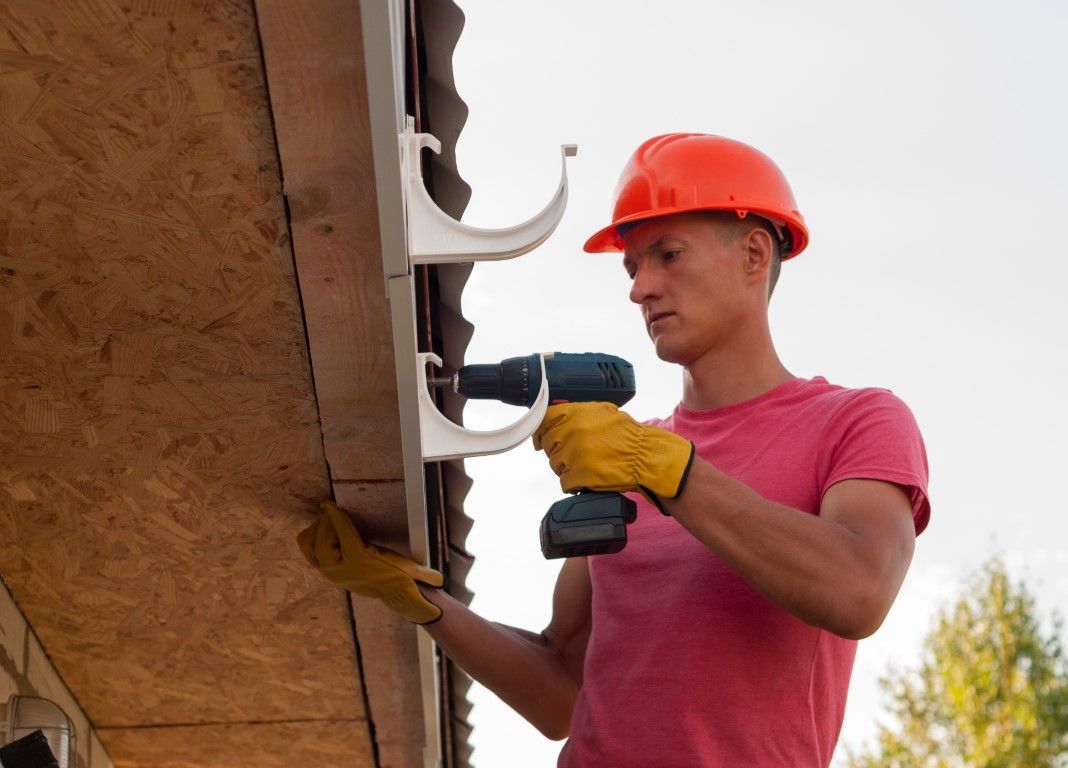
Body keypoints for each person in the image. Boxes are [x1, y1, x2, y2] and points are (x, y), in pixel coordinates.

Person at [297, 133, 930, 767]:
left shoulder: (856, 421)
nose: (640, 288)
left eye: (668, 255)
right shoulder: (625, 458)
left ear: (755, 254)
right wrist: (422, 603)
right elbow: (562, 691)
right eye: (631, 267)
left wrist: (665, 469)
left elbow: (858, 591)